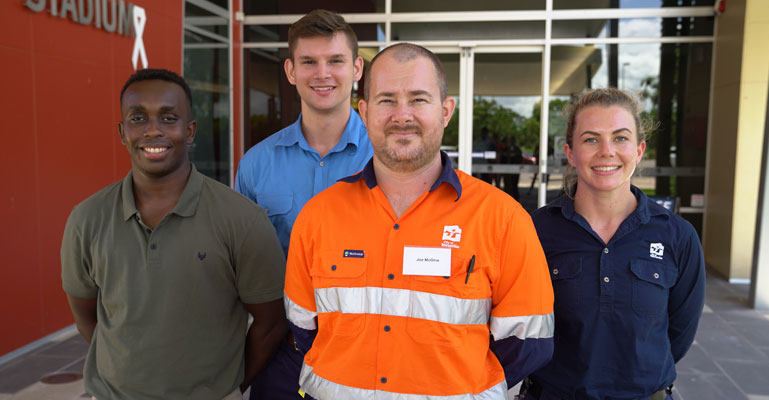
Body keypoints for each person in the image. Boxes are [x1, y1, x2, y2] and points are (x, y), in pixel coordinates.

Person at [284, 43, 555, 399]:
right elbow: (303, 328)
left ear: (445, 111)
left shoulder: (503, 219)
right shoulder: (318, 216)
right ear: (363, 112)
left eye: (418, 99)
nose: (402, 115)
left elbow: (528, 343)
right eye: (386, 100)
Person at [61, 68, 288, 400]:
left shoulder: (242, 219)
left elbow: (271, 325)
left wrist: (229, 390)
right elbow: (88, 320)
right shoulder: (87, 219)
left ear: (190, 130)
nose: (153, 130)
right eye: (138, 119)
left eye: (169, 118)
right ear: (123, 132)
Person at [526, 88, 705, 400]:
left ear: (639, 150)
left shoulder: (678, 236)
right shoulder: (535, 231)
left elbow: (679, 334)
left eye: (620, 138)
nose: (606, 151)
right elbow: (522, 327)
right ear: (570, 153)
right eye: (591, 139)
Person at [234, 9, 373, 399]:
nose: (322, 73)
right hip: (282, 353)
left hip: (368, 354)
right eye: (309, 62)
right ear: (291, 71)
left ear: (357, 68)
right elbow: (239, 267)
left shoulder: (388, 160)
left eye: (336, 61)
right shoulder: (256, 164)